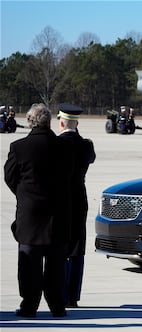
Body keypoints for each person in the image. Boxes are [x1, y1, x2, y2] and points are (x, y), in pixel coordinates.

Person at [4, 103, 74, 318]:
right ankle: (57, 305)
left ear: (30, 122)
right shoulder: (64, 147)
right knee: (56, 264)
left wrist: (24, 194)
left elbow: (9, 176)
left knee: (29, 263)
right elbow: (71, 177)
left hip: (30, 213)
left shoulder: (19, 147)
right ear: (49, 122)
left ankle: (29, 305)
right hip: (58, 212)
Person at [57, 103, 96, 308]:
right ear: (77, 123)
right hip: (79, 199)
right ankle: (73, 296)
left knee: (60, 248)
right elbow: (90, 157)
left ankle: (59, 293)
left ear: (61, 122)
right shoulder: (86, 145)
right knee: (77, 249)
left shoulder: (56, 144)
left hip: (60, 199)